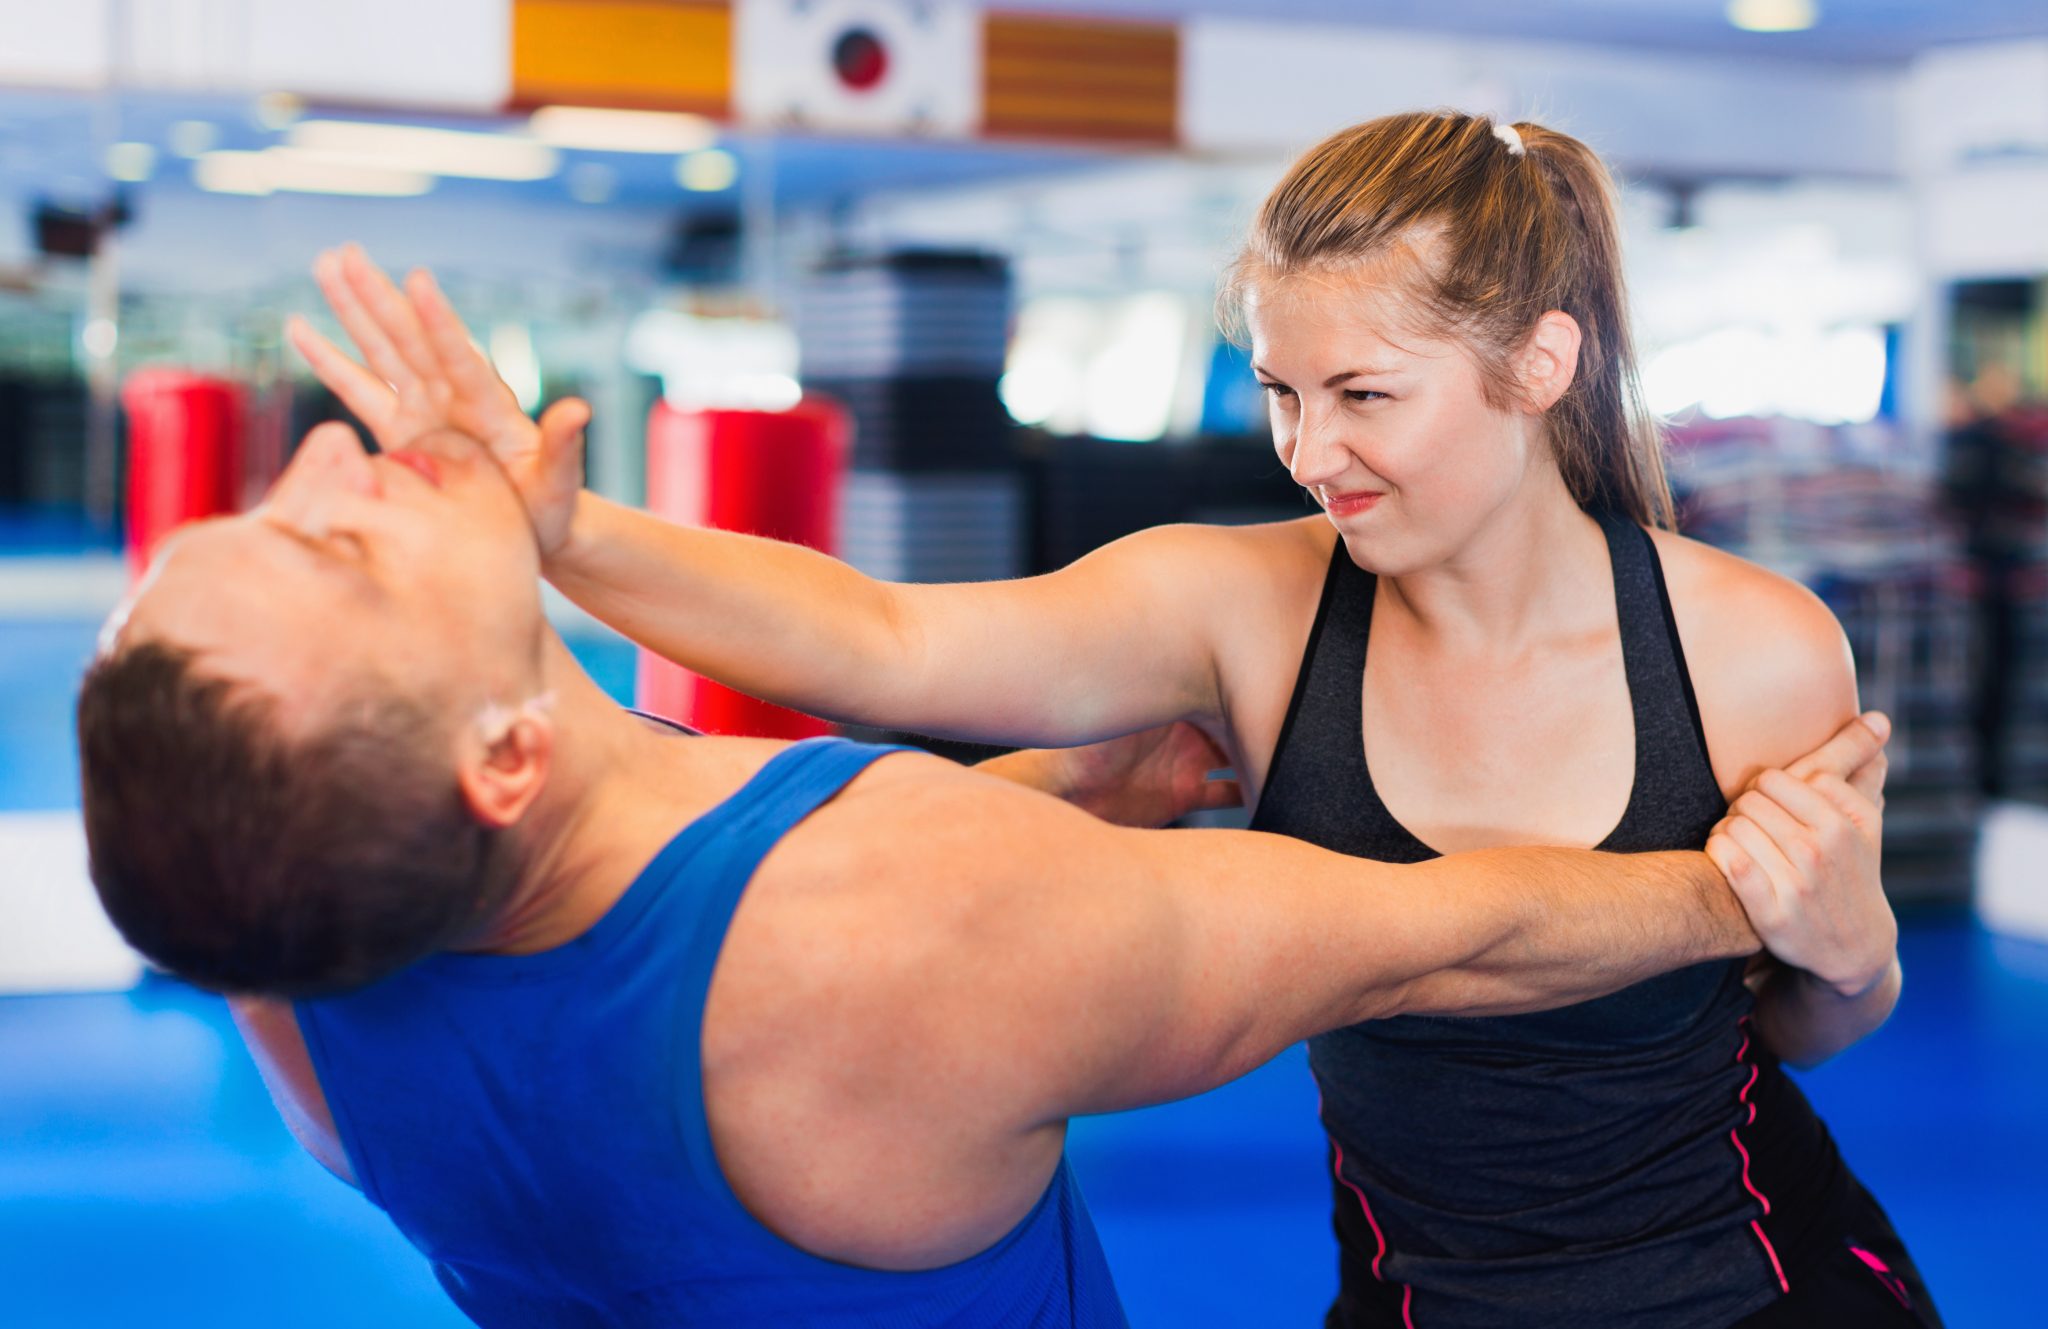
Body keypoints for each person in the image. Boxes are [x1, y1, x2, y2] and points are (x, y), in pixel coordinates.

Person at [288, 111, 1935, 1328]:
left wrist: (1852, 951)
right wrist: (566, 531)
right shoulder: (1249, 608)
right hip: (1422, 1298)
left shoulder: (1753, 649)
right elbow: (883, 638)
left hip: (1761, 1287)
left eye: (1365, 396)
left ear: (1539, 366)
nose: (1310, 449)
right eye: (1284, 392)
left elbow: (1793, 1023)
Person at [78, 417, 1885, 1327]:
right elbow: (1443, 938)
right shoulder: (918, 915)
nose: (326, 449)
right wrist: (1752, 890)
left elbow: (714, 940)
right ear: (501, 756)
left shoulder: (298, 965)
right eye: (333, 544)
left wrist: (1051, 799)